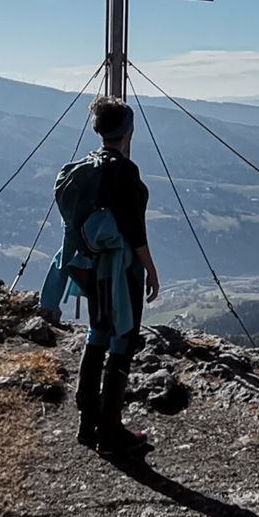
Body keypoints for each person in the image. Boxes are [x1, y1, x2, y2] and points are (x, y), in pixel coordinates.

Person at [61, 96, 160, 458]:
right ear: (129, 131)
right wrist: (150, 269)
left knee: (98, 331)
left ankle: (87, 423)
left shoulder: (86, 167)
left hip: (93, 268)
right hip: (122, 270)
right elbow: (134, 230)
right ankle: (111, 431)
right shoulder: (125, 171)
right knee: (123, 337)